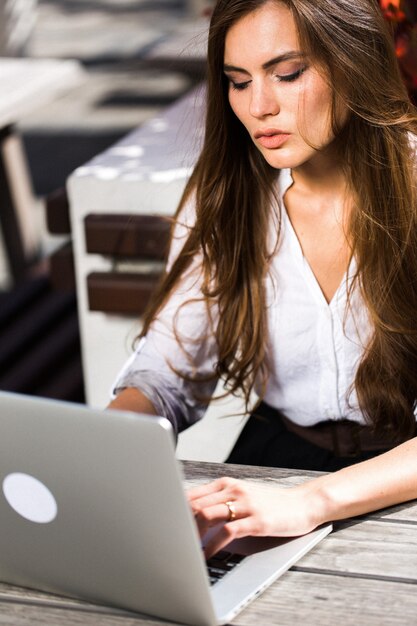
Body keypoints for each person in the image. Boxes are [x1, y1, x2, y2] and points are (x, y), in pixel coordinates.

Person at [109, 0, 417, 557]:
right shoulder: (229, 201)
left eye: (288, 74)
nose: (259, 107)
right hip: (278, 458)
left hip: (398, 472)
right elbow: (167, 374)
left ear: (355, 61)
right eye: (237, 82)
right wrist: (101, 451)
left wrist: (308, 501)